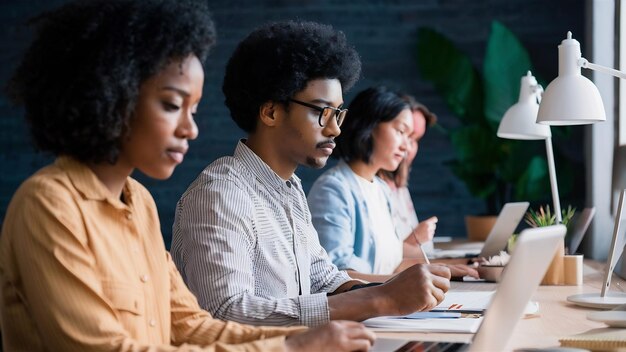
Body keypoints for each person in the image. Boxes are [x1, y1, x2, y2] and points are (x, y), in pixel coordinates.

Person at [0, 2, 375, 351]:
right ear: (111, 94)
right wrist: (290, 346)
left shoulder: (139, 203)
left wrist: (315, 336)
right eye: (172, 105)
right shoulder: (48, 204)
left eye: (193, 109)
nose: (190, 129)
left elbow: (192, 326)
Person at [171, 21, 451, 328]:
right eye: (321, 112)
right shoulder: (222, 193)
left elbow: (322, 277)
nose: (335, 129)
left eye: (338, 113)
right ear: (271, 112)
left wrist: (391, 291)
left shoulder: (289, 188)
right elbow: (226, 313)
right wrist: (378, 299)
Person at [308, 86, 478, 282]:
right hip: (363, 309)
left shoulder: (381, 189)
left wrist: (454, 267)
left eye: (409, 137)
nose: (406, 146)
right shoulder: (333, 190)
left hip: (389, 305)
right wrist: (401, 283)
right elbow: (335, 278)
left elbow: (393, 266)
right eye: (400, 131)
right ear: (370, 125)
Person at [377, 94, 438, 259]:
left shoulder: (399, 187)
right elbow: (380, 259)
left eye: (415, 139)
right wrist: (416, 238)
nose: (407, 147)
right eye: (403, 133)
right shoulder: (372, 187)